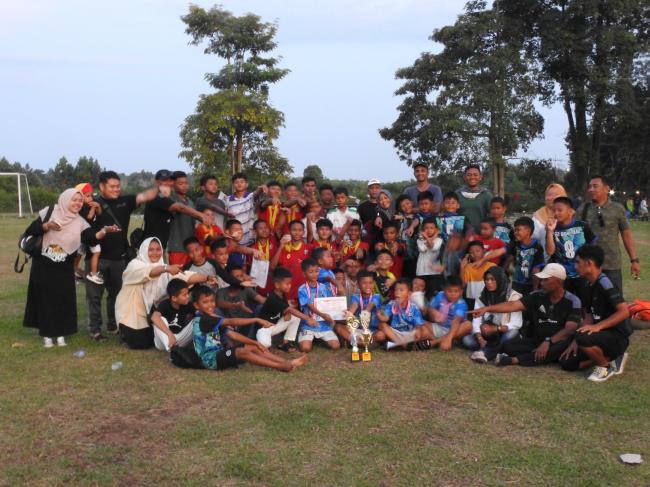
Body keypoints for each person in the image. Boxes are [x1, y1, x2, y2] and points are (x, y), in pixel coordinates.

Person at [23, 188, 119, 347]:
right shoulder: (49, 211)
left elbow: (91, 238)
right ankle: (47, 334)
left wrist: (104, 230)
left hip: (64, 266)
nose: (78, 203)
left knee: (63, 300)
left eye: (80, 201)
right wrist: (47, 225)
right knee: (46, 299)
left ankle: (61, 333)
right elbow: (31, 230)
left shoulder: (80, 221)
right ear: (65, 199)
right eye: (74, 200)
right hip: (43, 265)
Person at [85, 170, 159, 342]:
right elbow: (84, 225)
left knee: (117, 294)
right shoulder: (92, 203)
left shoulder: (125, 201)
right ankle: (95, 329)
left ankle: (113, 324)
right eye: (112, 186)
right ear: (102, 187)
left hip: (119, 258)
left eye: (118, 186)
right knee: (94, 296)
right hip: (96, 258)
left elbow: (143, 196)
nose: (116, 189)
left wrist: (160, 188)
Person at [470, 263, 581, 367]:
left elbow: (570, 329)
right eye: (541, 280)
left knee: (561, 346)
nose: (541, 283)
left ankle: (513, 360)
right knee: (509, 346)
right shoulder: (537, 295)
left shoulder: (573, 301)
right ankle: (546, 356)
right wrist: (487, 308)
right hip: (537, 340)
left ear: (559, 281)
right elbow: (513, 305)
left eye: (546, 280)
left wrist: (548, 341)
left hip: (557, 341)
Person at [115, 237, 216, 349]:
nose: (155, 253)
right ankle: (124, 333)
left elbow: (185, 276)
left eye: (158, 249)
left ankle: (168, 339)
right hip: (131, 314)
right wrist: (166, 268)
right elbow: (149, 272)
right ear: (144, 250)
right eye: (151, 249)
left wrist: (207, 278)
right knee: (141, 343)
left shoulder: (164, 268)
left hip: (150, 314)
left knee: (153, 336)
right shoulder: (135, 265)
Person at [190, 285, 308, 372]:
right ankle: (281, 367)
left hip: (220, 354)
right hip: (210, 360)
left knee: (252, 346)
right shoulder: (202, 319)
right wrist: (256, 319)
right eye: (205, 302)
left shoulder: (212, 319)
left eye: (212, 301)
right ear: (196, 305)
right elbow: (231, 321)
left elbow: (232, 334)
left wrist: (255, 343)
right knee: (242, 352)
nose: (210, 305)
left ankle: (287, 362)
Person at [559, 245, 632, 382]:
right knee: (567, 362)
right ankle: (612, 358)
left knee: (582, 337)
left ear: (589, 263)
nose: (575, 266)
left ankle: (605, 367)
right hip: (599, 336)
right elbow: (588, 316)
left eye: (577, 262)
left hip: (616, 336)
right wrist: (575, 341)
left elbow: (624, 311)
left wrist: (597, 327)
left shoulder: (605, 282)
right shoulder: (587, 284)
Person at [577, 175, 641, 293]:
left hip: (612, 265)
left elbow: (626, 235)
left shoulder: (617, 209)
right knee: (589, 300)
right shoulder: (583, 209)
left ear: (607, 189)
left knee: (614, 299)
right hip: (589, 266)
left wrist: (634, 260)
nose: (591, 189)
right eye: (590, 187)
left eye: (595, 186)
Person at [462, 267, 522, 363]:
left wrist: (496, 329)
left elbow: (516, 323)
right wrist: (480, 338)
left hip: (504, 332)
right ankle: (498, 350)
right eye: (487, 279)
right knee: (467, 340)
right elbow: (476, 320)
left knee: (511, 334)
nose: (489, 282)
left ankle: (486, 352)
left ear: (500, 279)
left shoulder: (513, 296)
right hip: (488, 334)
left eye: (492, 279)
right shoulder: (482, 296)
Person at [546, 196, 597, 304]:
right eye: (554, 210)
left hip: (581, 274)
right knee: (564, 303)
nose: (556, 213)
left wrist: (590, 266)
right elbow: (550, 251)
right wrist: (549, 232)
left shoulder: (582, 226)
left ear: (570, 211)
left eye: (560, 210)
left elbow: (593, 246)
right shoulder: (553, 229)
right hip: (562, 276)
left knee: (585, 303)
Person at [256, 267, 319, 351]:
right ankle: (258, 342)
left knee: (295, 317)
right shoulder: (272, 297)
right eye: (287, 284)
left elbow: (287, 312)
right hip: (264, 328)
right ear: (277, 285)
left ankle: (285, 344)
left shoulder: (282, 294)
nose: (290, 286)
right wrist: (307, 318)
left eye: (290, 283)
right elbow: (290, 309)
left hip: (274, 326)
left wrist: (287, 312)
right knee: (265, 345)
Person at [143, 169, 208, 249]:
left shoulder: (167, 197)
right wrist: (201, 215)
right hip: (152, 246)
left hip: (160, 245)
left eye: (170, 180)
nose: (168, 183)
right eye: (164, 180)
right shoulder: (158, 196)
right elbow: (180, 207)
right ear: (157, 183)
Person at [296, 258, 341, 352]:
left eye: (316, 271)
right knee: (305, 348)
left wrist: (338, 311)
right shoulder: (302, 289)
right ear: (304, 274)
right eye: (311, 272)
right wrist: (323, 315)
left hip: (323, 324)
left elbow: (329, 303)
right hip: (308, 324)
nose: (314, 274)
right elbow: (309, 305)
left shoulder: (323, 287)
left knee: (336, 346)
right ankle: (307, 337)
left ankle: (318, 339)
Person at [377, 278, 427, 348]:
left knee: (424, 331)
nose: (397, 292)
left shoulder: (414, 307)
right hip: (395, 333)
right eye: (396, 290)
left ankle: (394, 344)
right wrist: (380, 316)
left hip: (409, 333)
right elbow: (385, 318)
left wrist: (418, 331)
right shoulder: (391, 304)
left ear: (409, 293)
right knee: (381, 325)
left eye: (401, 290)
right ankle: (403, 344)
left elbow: (418, 324)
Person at [338, 270, 385, 345]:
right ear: (358, 285)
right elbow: (354, 306)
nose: (368, 286)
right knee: (338, 327)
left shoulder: (376, 297)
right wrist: (349, 314)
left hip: (372, 330)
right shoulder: (355, 296)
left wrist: (354, 317)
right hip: (358, 329)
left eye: (370, 283)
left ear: (373, 283)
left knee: (381, 335)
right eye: (364, 283)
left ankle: (357, 342)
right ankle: (362, 343)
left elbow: (369, 308)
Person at [270, 220, 312, 301]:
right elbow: (272, 267)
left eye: (300, 230)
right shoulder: (283, 248)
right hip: (287, 292)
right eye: (294, 230)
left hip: (305, 292)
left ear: (303, 232)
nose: (297, 233)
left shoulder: (309, 248)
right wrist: (281, 246)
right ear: (289, 231)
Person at [425, 276, 471, 351]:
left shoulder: (461, 304)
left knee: (468, 325)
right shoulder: (440, 295)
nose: (453, 294)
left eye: (456, 291)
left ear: (461, 292)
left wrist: (449, 338)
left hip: (455, 330)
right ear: (444, 290)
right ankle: (440, 340)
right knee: (421, 323)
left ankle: (435, 342)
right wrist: (433, 312)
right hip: (440, 327)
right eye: (449, 291)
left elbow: (456, 321)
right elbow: (429, 308)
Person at [150, 279, 195, 351]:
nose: (187, 296)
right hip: (163, 340)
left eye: (188, 294)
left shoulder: (188, 304)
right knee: (159, 319)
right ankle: (172, 349)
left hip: (179, 339)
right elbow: (154, 317)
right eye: (184, 295)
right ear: (174, 298)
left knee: (197, 321)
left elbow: (198, 314)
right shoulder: (164, 304)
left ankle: (174, 349)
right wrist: (170, 335)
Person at [226, 172, 266, 246]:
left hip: (250, 240)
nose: (239, 184)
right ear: (233, 185)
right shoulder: (227, 200)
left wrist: (261, 188)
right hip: (234, 241)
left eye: (242, 182)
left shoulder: (250, 197)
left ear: (247, 184)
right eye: (236, 182)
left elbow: (257, 193)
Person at [167, 171, 198, 266]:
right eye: (180, 184)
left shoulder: (190, 202)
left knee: (191, 273)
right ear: (173, 185)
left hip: (191, 247)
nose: (184, 186)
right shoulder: (170, 200)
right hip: (177, 247)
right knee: (178, 273)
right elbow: (179, 208)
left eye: (186, 183)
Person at [508, 217, 545, 296]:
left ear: (528, 231)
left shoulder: (537, 247)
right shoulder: (515, 245)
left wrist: (535, 290)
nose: (515, 233)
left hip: (530, 285)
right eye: (515, 230)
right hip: (516, 284)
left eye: (518, 230)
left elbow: (536, 269)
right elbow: (509, 257)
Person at [74, 182, 103, 284]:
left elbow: (99, 214)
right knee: (97, 251)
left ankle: (75, 269)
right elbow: (90, 217)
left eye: (91, 195)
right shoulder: (81, 207)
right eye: (87, 196)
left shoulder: (89, 204)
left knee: (80, 252)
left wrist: (98, 206)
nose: (90, 198)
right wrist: (93, 207)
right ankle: (93, 274)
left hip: (86, 235)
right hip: (87, 235)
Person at [531, 183, 568, 255]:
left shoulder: (570, 214)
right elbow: (532, 240)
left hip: (567, 259)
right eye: (549, 195)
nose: (551, 198)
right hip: (544, 258)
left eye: (555, 195)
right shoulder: (537, 217)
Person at [456, 165, 493, 232]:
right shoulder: (457, 194)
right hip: (461, 234)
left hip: (481, 234)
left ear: (480, 177)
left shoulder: (486, 195)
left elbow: (493, 215)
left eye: (475, 175)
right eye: (469, 175)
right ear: (464, 177)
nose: (472, 177)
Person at [461, 241, 495, 309]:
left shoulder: (492, 266)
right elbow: (463, 284)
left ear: (484, 251)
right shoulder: (468, 267)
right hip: (471, 300)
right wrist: (462, 267)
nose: (475, 254)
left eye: (477, 251)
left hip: (488, 299)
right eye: (471, 252)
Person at [415, 217, 444, 298]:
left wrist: (428, 237)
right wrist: (432, 236)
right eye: (426, 228)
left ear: (436, 229)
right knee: (421, 296)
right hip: (421, 272)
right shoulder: (419, 240)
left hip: (435, 273)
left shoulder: (439, 240)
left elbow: (432, 247)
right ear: (422, 230)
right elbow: (423, 249)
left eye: (431, 228)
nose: (429, 230)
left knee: (433, 296)